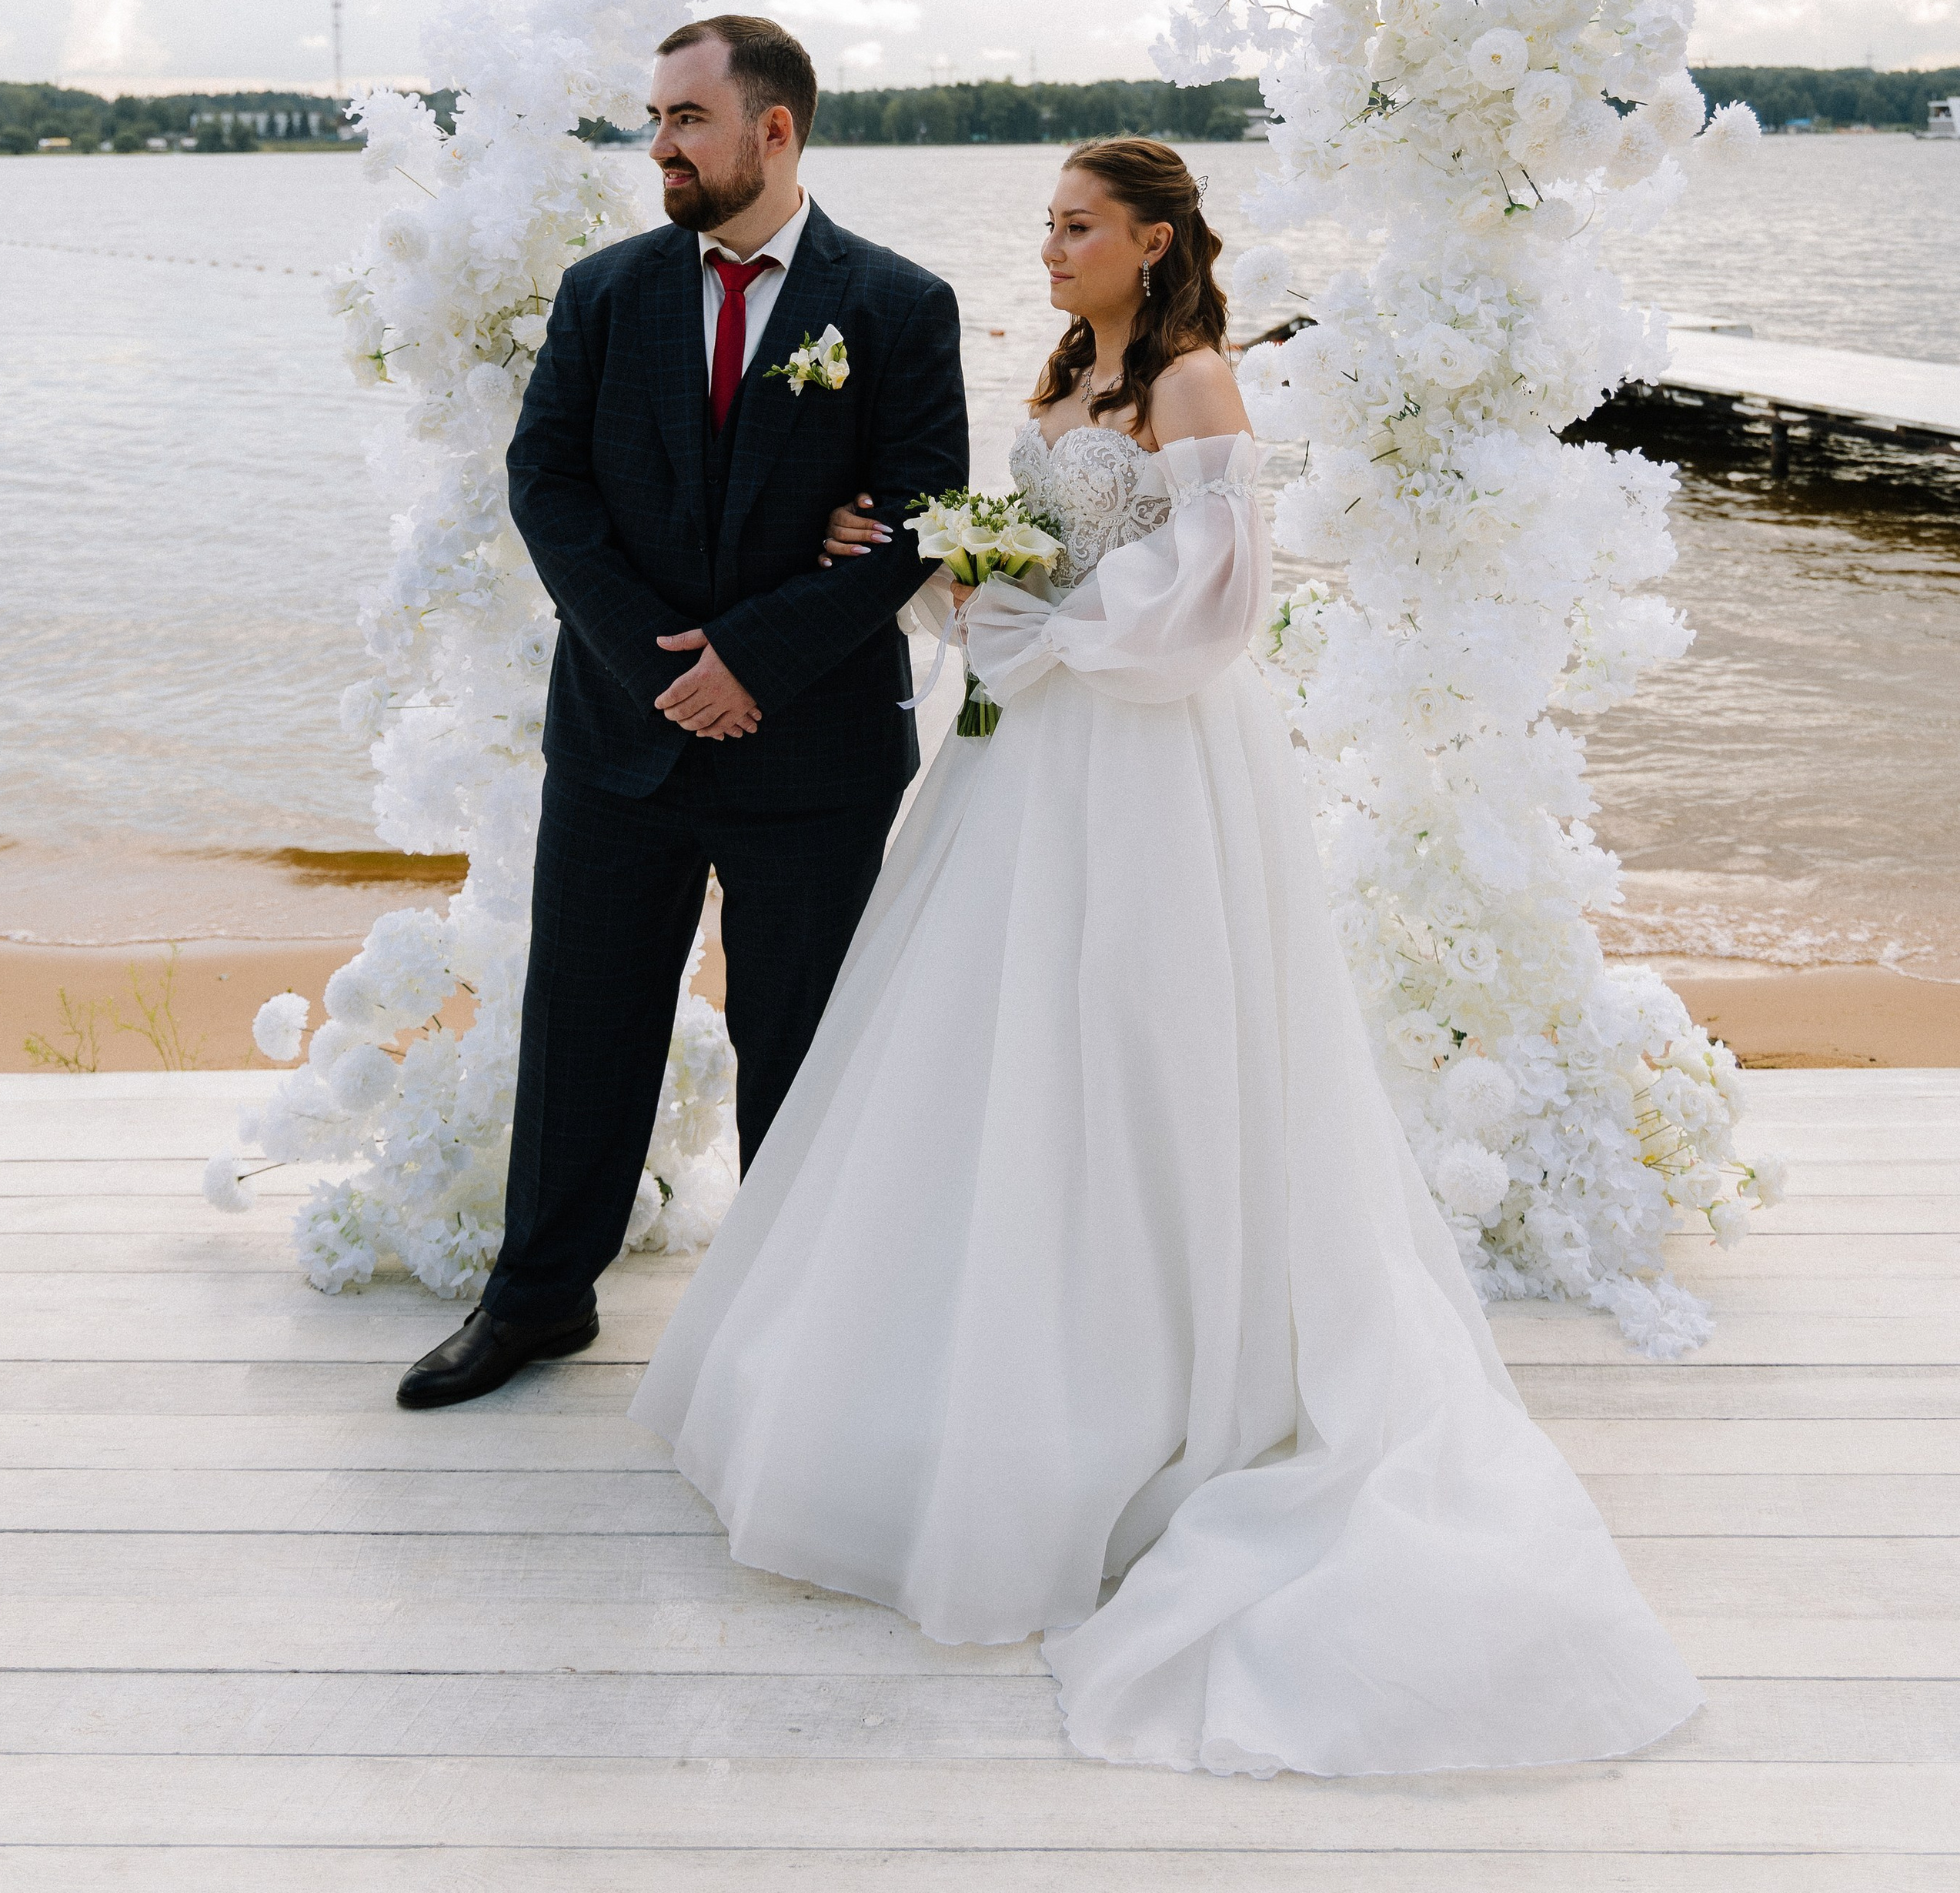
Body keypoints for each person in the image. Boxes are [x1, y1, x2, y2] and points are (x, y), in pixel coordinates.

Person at [632, 136, 1701, 1778]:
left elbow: (1212, 605)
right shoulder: (1074, 375)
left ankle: (1149, 1380)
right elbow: (1039, 564)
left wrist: (1046, 619)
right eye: (1044, 225)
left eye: (1075, 226)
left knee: (1135, 1028)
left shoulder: (1198, 383)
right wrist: (940, 564)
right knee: (986, 1046)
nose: (1047, 248)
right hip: (1025, 755)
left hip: (1141, 761)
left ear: (1150, 240)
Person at [396, 15, 969, 1410]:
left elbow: (922, 515)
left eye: (686, 120)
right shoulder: (605, 295)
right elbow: (547, 484)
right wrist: (664, 668)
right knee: (584, 1026)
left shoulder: (898, 303)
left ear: (774, 131)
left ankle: (799, 1320)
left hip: (814, 750)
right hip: (616, 738)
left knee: (801, 1043)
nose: (659, 145)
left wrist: (754, 659)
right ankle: (537, 1302)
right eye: (654, 119)